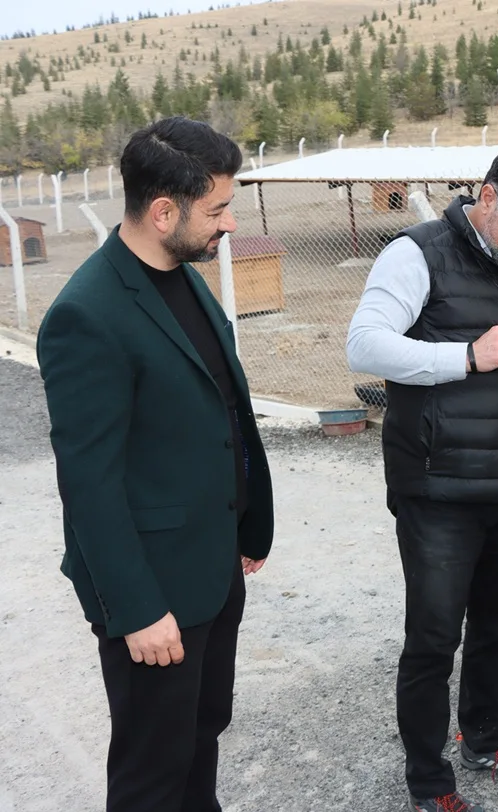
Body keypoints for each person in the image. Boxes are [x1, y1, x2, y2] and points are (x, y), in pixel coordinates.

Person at [35, 116, 275, 811]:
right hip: (154, 596)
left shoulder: (181, 273)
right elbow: (88, 482)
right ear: (163, 210)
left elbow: (212, 412)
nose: (229, 224)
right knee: (151, 770)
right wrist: (137, 610)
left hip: (209, 569)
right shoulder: (88, 314)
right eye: (219, 210)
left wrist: (238, 530)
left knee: (200, 734)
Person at [346, 146, 498, 812]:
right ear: (487, 197)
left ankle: (483, 735)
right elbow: (364, 344)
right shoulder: (415, 253)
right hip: (437, 488)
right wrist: (467, 355)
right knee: (432, 637)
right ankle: (429, 780)